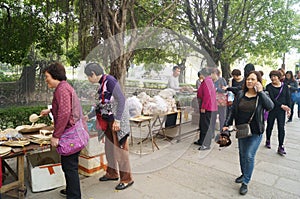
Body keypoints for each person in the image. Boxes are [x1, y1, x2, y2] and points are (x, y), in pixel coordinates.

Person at [84, 62, 134, 190]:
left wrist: (117, 120)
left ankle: (127, 179)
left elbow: (121, 100)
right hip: (108, 121)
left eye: (88, 76)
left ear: (93, 74)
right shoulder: (102, 84)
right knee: (110, 149)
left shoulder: (110, 81)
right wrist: (88, 116)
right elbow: (100, 105)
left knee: (120, 151)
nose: (88, 79)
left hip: (117, 121)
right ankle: (112, 173)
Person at [222, 71, 274, 195]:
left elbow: (270, 106)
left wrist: (260, 92)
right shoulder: (240, 94)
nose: (250, 81)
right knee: (242, 154)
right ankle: (244, 173)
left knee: (249, 155)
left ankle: (245, 181)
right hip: (242, 129)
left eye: (253, 79)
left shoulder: (262, 95)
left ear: (258, 81)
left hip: (256, 131)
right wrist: (226, 124)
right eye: (248, 79)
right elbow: (232, 111)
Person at [40, 62, 86, 198]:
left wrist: (56, 136)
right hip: (76, 133)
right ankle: (71, 189)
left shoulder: (62, 89)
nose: (46, 79)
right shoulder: (64, 87)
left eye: (47, 76)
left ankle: (74, 195)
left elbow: (65, 113)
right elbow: (64, 108)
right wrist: (49, 110)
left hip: (71, 135)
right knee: (70, 166)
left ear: (55, 76)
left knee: (69, 167)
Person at [265, 70, 291, 155]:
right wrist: (281, 106)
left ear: (279, 77)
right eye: (272, 76)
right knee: (270, 126)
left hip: (281, 111)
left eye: (275, 76)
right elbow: (271, 99)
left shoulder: (285, 86)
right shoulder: (269, 87)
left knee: (281, 128)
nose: (273, 78)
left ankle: (281, 146)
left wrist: (288, 108)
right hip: (272, 109)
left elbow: (288, 98)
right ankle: (268, 140)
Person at [194, 67, 218, 150]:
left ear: (202, 74)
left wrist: (203, 107)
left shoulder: (207, 81)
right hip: (208, 106)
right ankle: (201, 140)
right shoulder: (207, 81)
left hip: (208, 107)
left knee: (206, 126)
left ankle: (206, 144)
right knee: (202, 124)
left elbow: (207, 96)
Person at [211, 68, 227, 136]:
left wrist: (217, 89)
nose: (211, 75)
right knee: (212, 118)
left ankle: (222, 133)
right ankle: (212, 133)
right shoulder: (210, 81)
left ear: (215, 74)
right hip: (213, 102)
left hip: (221, 102)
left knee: (222, 118)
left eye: (212, 74)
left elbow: (225, 90)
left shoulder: (222, 80)